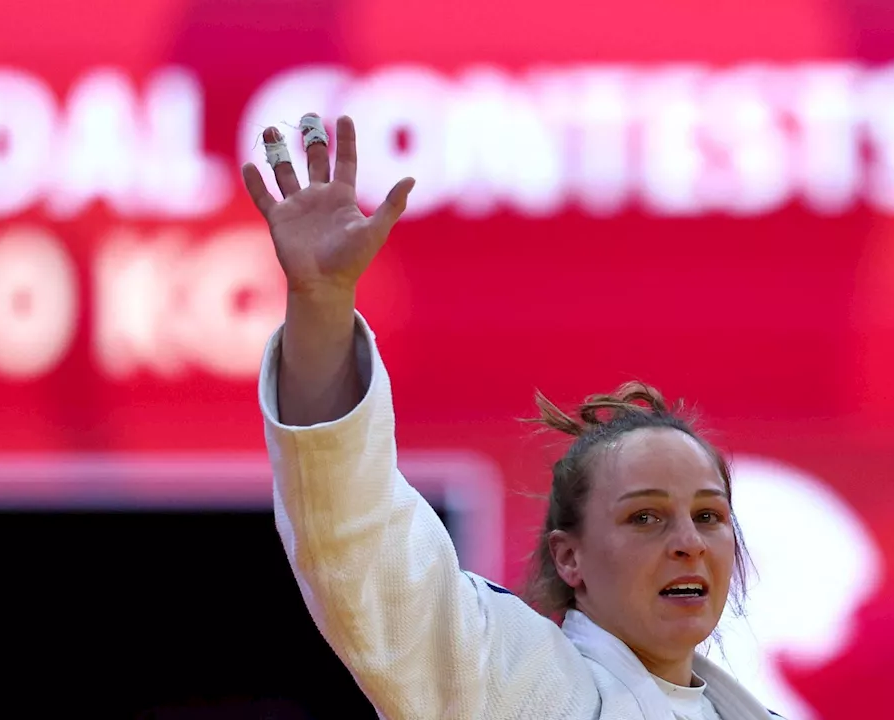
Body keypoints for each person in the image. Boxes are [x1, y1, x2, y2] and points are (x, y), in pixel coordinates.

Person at [243, 113, 784, 720]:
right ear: (568, 557)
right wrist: (321, 303)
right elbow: (359, 543)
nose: (688, 543)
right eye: (645, 517)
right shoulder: (518, 684)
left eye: (708, 515)